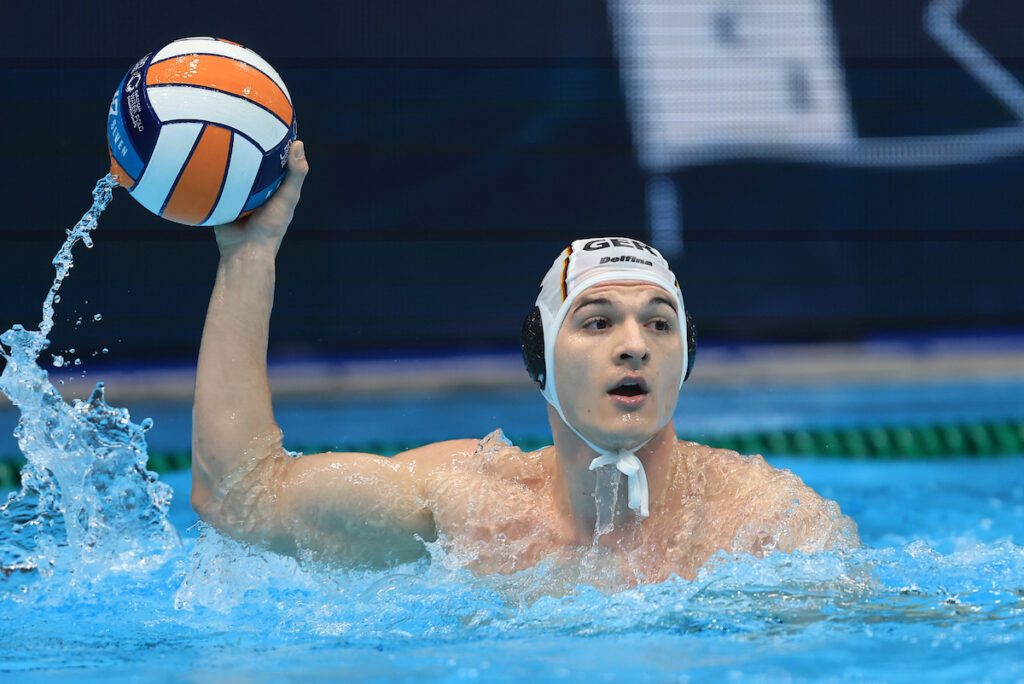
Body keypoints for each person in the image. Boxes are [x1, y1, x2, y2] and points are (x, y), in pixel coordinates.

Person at [190, 141, 859, 584]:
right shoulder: (463, 509)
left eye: (659, 323)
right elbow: (240, 501)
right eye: (597, 322)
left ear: (684, 360)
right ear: (539, 359)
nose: (634, 345)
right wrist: (249, 258)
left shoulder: (764, 525)